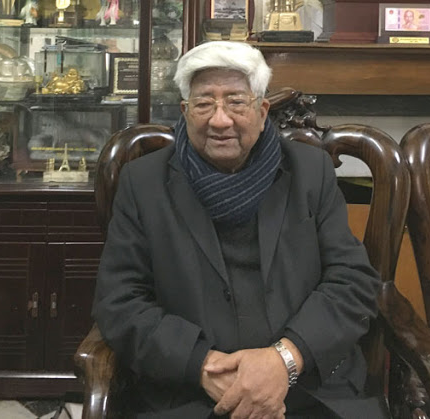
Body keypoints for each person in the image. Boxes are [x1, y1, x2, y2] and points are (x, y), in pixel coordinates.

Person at [93, 41, 384, 418]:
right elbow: (120, 301)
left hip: (308, 387)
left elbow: (352, 281)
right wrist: (202, 365)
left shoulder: (311, 172)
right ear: (185, 112)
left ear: (262, 112)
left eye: (236, 102)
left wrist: (283, 361)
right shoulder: (143, 182)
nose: (220, 120)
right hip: (189, 394)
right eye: (204, 103)